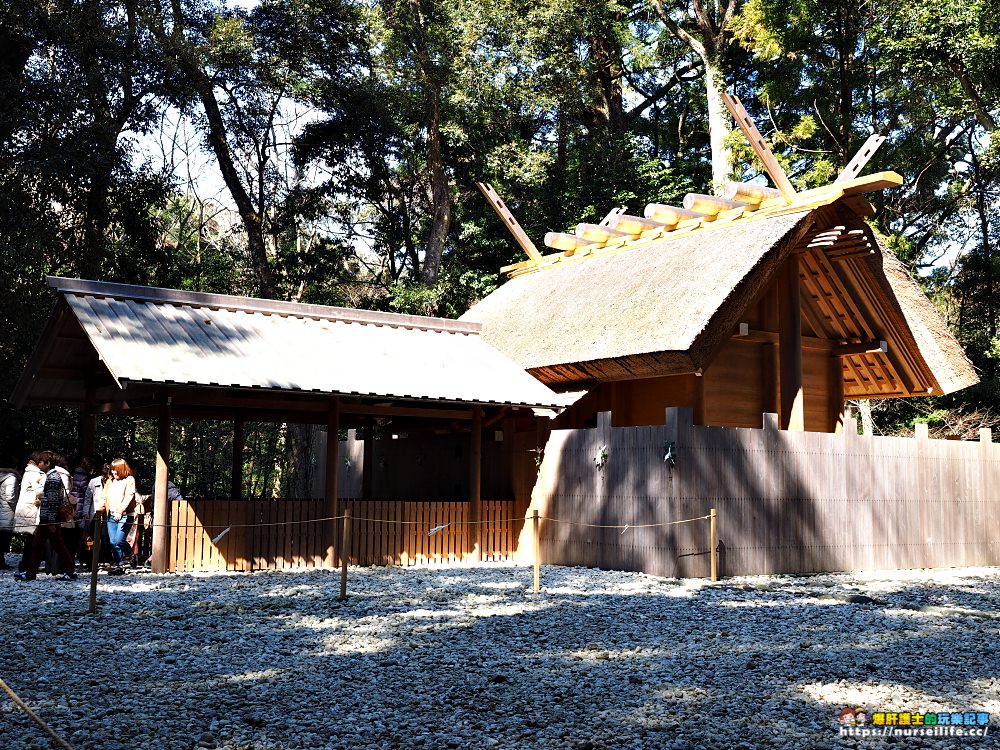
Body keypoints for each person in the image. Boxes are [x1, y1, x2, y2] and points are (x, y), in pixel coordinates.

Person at [16, 453, 77, 581]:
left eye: (40, 462)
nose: (38, 465)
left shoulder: (53, 478)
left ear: (48, 463)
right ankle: (31, 573)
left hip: (49, 519)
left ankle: (70, 571)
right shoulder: (52, 477)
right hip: (47, 518)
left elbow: (53, 502)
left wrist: (50, 522)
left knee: (58, 546)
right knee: (38, 545)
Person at [12, 451, 51, 573]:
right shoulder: (36, 474)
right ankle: (26, 565)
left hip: (26, 507)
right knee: (32, 540)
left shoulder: (28, 472)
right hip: (32, 508)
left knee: (32, 540)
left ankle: (27, 564)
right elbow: (39, 490)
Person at [104, 458, 138, 574]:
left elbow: (129, 496)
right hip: (111, 515)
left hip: (125, 515)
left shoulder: (129, 480)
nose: (114, 473)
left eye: (116, 470)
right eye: (112, 470)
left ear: (122, 469)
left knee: (119, 540)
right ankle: (119, 565)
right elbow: (105, 497)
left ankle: (131, 555)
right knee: (113, 542)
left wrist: (120, 511)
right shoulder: (110, 481)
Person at [68, 456, 97, 567]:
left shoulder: (73, 475)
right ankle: (81, 559)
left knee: (72, 536)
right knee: (80, 537)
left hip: (72, 508)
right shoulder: (85, 478)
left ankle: (72, 559)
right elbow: (86, 496)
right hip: (80, 509)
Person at [82, 460, 110, 570]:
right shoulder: (93, 482)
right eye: (103, 474)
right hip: (95, 513)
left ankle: (105, 560)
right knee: (92, 539)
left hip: (107, 514)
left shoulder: (112, 483)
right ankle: (90, 562)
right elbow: (87, 499)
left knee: (105, 538)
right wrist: (86, 514)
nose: (104, 477)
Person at [0, 460, 21, 569]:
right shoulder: (11, 478)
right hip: (6, 510)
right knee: (3, 537)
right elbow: (10, 497)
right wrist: (16, 506)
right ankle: (1, 562)